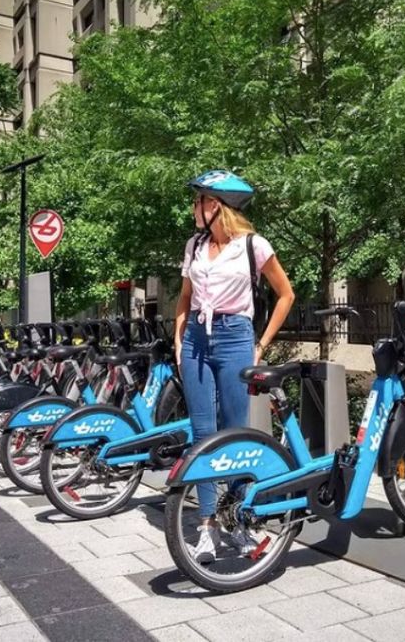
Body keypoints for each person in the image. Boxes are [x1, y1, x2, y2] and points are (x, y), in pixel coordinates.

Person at [173, 169, 295, 562]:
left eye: (198, 202)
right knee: (202, 434)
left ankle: (239, 521)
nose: (193, 209)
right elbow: (185, 296)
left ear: (215, 205)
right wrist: (179, 337)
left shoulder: (253, 245)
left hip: (235, 336)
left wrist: (260, 344)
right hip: (196, 337)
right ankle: (207, 524)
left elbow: (286, 294)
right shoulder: (194, 245)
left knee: (234, 432)